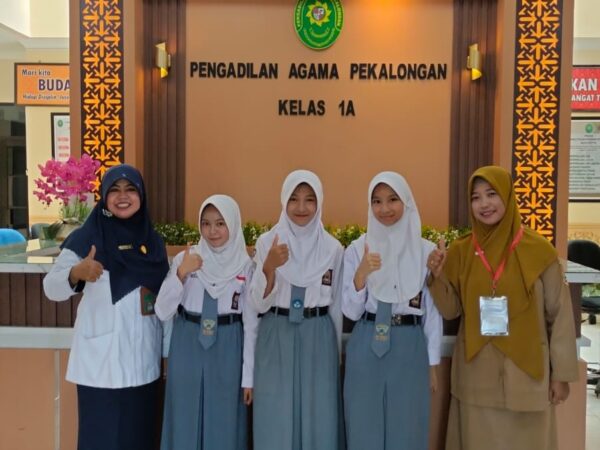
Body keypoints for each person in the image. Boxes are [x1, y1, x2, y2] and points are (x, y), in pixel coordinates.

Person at [427, 165, 578, 450]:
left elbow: (559, 315)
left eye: (491, 194)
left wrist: (561, 375)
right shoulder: (461, 251)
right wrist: (437, 277)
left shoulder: (539, 250)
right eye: (475, 197)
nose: (484, 204)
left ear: (508, 196)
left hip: (527, 380)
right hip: (476, 380)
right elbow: (451, 311)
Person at [43, 164, 169, 450]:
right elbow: (51, 288)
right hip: (100, 368)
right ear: (104, 197)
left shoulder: (152, 243)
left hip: (143, 365)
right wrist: (75, 273)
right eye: (115, 190)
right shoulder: (86, 238)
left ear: (141, 196)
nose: (123, 196)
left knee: (139, 441)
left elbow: (164, 301)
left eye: (130, 189)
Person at [342, 171, 442, 450]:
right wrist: (361, 274)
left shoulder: (425, 251)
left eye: (392, 199)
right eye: (376, 201)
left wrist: (432, 364)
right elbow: (350, 312)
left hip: (409, 344)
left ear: (406, 201)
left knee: (407, 425)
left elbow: (432, 313)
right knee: (363, 424)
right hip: (366, 340)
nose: (384, 208)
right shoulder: (357, 249)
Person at [250, 169, 344, 450]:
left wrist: (336, 355)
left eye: (309, 199)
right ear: (283, 201)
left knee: (318, 413)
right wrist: (269, 267)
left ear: (320, 202)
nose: (301, 207)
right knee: (275, 415)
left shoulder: (332, 248)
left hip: (318, 335)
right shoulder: (268, 242)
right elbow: (257, 304)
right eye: (294, 199)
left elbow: (337, 306)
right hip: (276, 332)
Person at [155, 194, 257, 450]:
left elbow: (251, 323)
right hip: (187, 341)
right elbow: (162, 310)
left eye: (220, 223)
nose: (212, 231)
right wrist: (181, 273)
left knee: (224, 419)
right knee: (184, 415)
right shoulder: (187, 259)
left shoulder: (245, 266)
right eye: (206, 223)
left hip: (228, 343)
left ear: (233, 224)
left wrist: (248, 378)